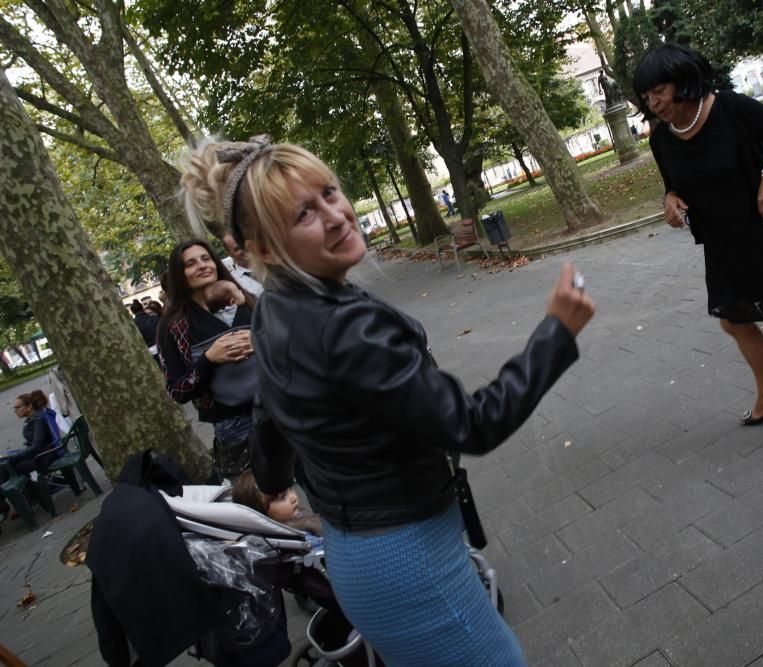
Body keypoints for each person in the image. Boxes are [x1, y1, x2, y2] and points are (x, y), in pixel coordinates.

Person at [177, 134, 594, 666]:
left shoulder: (276, 309)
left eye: (329, 192)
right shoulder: (344, 324)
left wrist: (273, 477)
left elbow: (270, 417)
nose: (335, 216)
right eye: (304, 213)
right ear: (260, 250)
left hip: (358, 553)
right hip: (409, 562)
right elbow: (474, 424)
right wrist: (556, 335)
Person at [634, 43, 763, 449]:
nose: (654, 102)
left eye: (658, 90)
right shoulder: (662, 138)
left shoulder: (730, 108)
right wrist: (670, 200)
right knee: (733, 320)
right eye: (647, 97)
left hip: (762, 230)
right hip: (719, 242)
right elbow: (672, 184)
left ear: (683, 81)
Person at [157, 240, 258, 478]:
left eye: (205, 258)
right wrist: (209, 359)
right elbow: (176, 392)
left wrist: (261, 339)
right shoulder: (173, 326)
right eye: (190, 263)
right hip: (235, 425)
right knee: (266, 502)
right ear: (179, 274)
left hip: (286, 406)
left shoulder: (247, 300)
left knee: (319, 483)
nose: (202, 266)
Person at [232, 470, 322, 535]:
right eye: (283, 497)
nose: (294, 497)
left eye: (290, 489)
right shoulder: (297, 536)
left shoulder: (301, 516)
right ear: (260, 513)